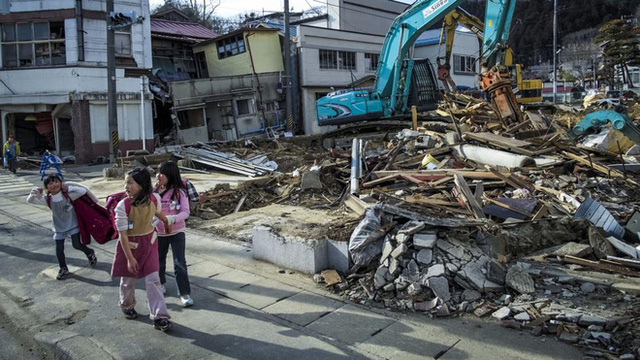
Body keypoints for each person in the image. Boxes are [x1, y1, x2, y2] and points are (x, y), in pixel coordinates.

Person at [111, 167, 173, 332]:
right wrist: (130, 259)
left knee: (153, 280)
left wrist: (167, 223)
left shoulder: (154, 199)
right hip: (129, 247)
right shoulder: (122, 206)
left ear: (142, 184)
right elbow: (122, 235)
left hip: (150, 244)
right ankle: (127, 305)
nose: (126, 186)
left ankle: (159, 317)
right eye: (126, 183)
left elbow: (159, 214)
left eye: (130, 183)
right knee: (128, 280)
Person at [27, 174, 98, 280]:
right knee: (59, 249)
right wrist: (34, 192)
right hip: (59, 227)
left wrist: (68, 186)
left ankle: (89, 252)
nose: (54, 185)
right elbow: (30, 200)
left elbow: (82, 191)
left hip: (73, 224)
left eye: (56, 181)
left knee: (77, 245)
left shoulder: (68, 195)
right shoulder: (47, 199)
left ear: (60, 183)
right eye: (50, 183)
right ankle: (63, 268)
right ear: (47, 187)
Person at [154, 162, 193, 307]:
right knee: (158, 261)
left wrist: (172, 219)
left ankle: (184, 293)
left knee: (179, 263)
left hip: (177, 232)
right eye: (157, 172)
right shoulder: (154, 192)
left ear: (170, 175)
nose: (158, 175)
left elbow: (186, 212)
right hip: (159, 233)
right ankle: (161, 284)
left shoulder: (180, 192)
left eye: (162, 173)